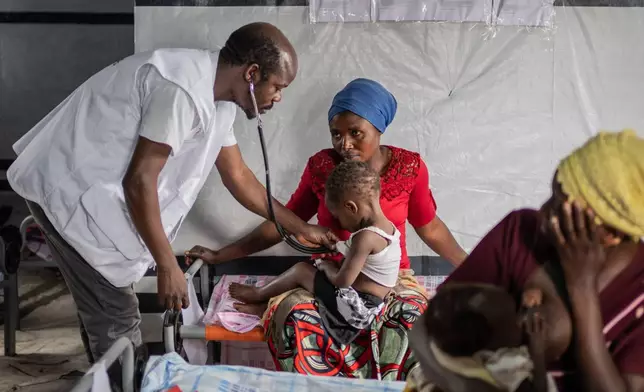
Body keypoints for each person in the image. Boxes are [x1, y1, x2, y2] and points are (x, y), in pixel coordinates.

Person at [6, 22, 337, 364]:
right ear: (252, 74)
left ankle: (103, 376)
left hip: (92, 191)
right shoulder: (180, 90)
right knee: (117, 315)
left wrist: (300, 227)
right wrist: (168, 265)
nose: (278, 98)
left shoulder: (220, 99)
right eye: (277, 87)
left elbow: (238, 177)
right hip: (67, 192)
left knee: (103, 313)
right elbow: (139, 181)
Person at [186, 78, 467, 379]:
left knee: (415, 320)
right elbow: (284, 222)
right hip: (331, 279)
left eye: (356, 133)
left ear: (379, 129)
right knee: (296, 316)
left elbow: (432, 228)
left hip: (390, 281)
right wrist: (221, 254)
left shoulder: (409, 168)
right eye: (336, 134)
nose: (344, 144)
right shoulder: (321, 167)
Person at [440, 130, 644, 391]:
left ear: (612, 234)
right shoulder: (520, 233)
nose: (544, 214)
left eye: (562, 210)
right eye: (552, 195)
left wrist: (582, 290)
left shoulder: (638, 291)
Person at [230, 160, 401, 345]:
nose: (340, 223)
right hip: (369, 304)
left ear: (351, 207)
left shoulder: (365, 237)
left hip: (359, 312)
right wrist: (338, 249)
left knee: (301, 270)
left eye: (338, 217)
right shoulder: (388, 229)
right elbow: (363, 262)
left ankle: (258, 294)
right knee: (314, 275)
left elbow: (342, 282)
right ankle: (267, 306)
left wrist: (327, 268)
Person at [404, 284, 555, 392]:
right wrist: (538, 354)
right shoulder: (500, 368)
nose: (522, 321)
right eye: (514, 320)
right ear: (491, 344)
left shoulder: (437, 357)